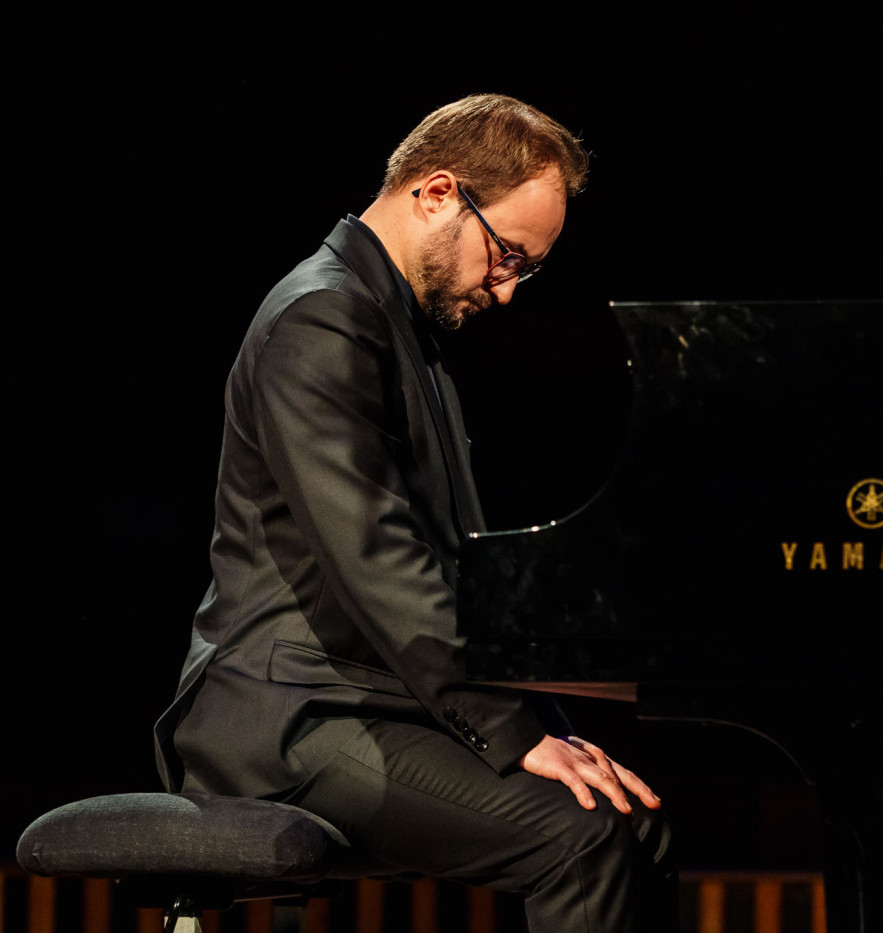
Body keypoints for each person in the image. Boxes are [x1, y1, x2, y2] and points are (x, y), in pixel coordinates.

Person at [153, 94, 675, 932]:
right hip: (290, 713)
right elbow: (380, 562)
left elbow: (453, 572)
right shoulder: (322, 317)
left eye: (526, 268)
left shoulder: (398, 327)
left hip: (375, 700)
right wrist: (512, 731)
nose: (508, 289)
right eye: (506, 254)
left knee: (634, 823)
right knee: (585, 837)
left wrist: (545, 723)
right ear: (437, 192)